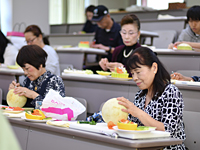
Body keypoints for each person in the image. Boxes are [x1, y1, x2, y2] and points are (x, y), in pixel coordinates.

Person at [117, 47, 186, 149]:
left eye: (138, 72)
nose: (135, 78)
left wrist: (139, 113)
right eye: (132, 73)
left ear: (154, 68)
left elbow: (169, 130)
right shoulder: (140, 95)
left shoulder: (171, 92)